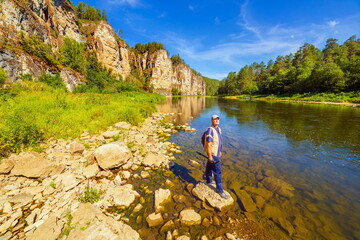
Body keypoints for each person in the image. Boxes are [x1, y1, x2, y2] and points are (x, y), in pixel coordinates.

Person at [203, 114, 229, 199]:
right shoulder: (210, 130)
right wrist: (210, 155)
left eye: (218, 119)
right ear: (212, 120)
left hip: (216, 153)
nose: (217, 120)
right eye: (215, 119)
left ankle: (208, 180)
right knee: (218, 172)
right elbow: (208, 144)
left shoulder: (218, 129)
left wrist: (220, 151)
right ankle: (220, 190)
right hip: (213, 154)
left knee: (209, 167)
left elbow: (218, 142)